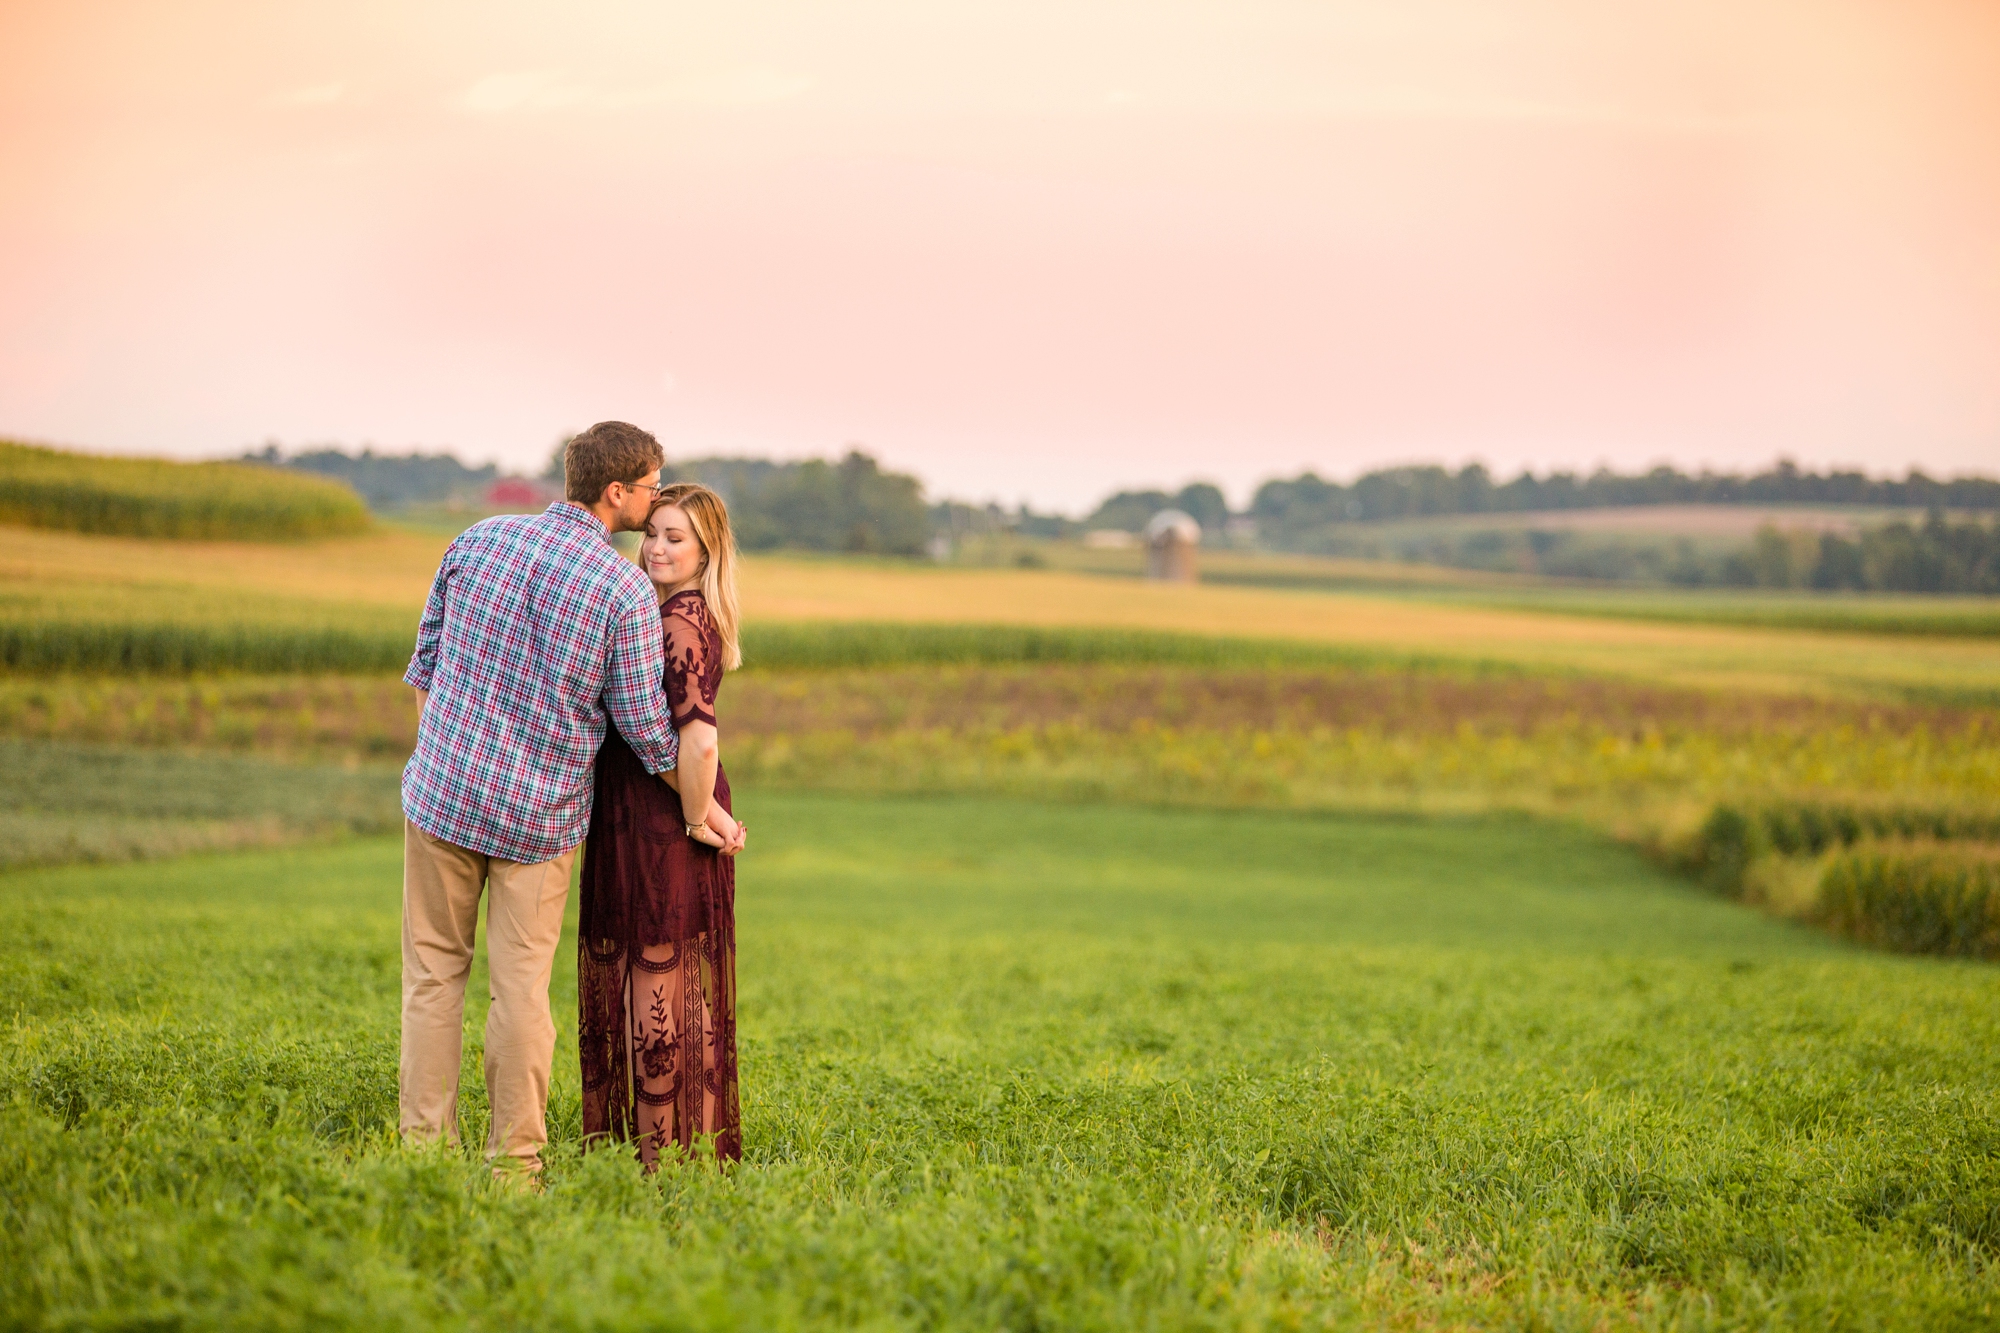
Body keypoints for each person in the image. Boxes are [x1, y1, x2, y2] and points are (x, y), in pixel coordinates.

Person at [398, 420, 700, 1187]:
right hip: (537, 823)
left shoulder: (477, 538)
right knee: (520, 991)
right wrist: (704, 802)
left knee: (433, 978)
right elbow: (647, 733)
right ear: (615, 493)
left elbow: (426, 664)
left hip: (440, 796)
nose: (657, 496)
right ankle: (515, 1167)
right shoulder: (621, 588)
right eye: (651, 484)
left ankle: (423, 1156)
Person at [578, 482, 747, 1167]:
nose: (655, 547)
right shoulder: (674, 610)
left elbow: (698, 741)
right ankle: (684, 1145)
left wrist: (697, 816)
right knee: (672, 981)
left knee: (657, 979)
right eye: (651, 533)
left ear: (707, 549)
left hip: (660, 814)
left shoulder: (678, 619)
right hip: (658, 803)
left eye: (675, 537)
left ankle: (657, 1159)